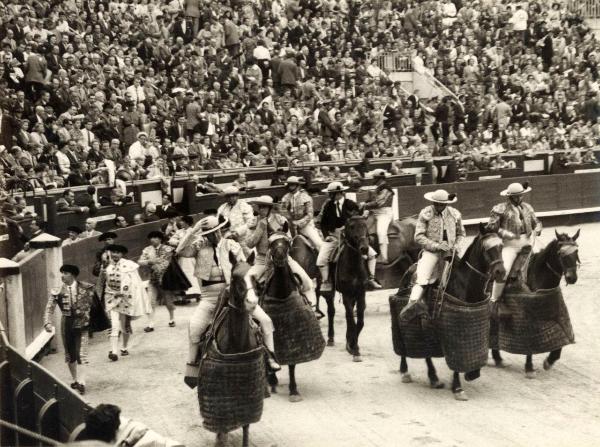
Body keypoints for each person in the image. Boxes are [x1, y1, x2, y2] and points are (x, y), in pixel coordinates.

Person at [244, 195, 317, 305]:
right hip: (262, 260)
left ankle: (311, 306)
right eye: (260, 207)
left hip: (283, 258)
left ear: (270, 208)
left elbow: (290, 240)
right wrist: (260, 228)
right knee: (247, 280)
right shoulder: (254, 222)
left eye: (264, 207)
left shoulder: (280, 220)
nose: (261, 209)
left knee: (307, 281)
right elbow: (249, 244)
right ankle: (253, 311)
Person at [404, 189, 466, 314]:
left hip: (451, 253)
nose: (438, 206)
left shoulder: (455, 214)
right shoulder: (426, 213)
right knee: (422, 277)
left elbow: (461, 234)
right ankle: (412, 305)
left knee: (465, 275)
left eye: (441, 204)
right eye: (436, 203)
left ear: (447, 203)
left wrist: (456, 246)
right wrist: (437, 246)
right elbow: (418, 236)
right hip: (432, 253)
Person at [316, 181, 382, 291]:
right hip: (334, 236)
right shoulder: (328, 205)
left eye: (331, 193)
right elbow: (323, 224)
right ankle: (326, 282)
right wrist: (327, 235)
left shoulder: (350, 203)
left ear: (339, 193)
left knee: (372, 254)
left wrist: (363, 213)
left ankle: (371, 278)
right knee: (321, 260)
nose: (330, 196)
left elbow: (360, 215)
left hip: (350, 237)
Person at [43, 264, 94, 395]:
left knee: (81, 353)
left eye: (65, 273)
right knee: (70, 354)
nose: (62, 276)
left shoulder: (86, 288)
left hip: (82, 323)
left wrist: (93, 323)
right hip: (66, 323)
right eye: (62, 273)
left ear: (72, 274)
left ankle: (82, 382)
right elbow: (49, 308)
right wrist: (47, 322)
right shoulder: (57, 290)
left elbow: (94, 307)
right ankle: (75, 379)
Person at [486, 182, 542, 302]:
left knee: (543, 259)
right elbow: (491, 227)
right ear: (509, 196)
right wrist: (505, 234)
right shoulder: (500, 209)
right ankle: (494, 299)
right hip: (510, 245)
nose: (519, 198)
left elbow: (536, 222)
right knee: (504, 271)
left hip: (529, 241)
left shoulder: (528, 207)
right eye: (516, 196)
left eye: (521, 195)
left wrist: (537, 228)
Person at [103, 244, 146, 361]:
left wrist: (124, 293)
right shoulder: (107, 266)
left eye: (118, 252)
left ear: (122, 254)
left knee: (124, 325)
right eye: (113, 252)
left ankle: (124, 347)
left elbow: (135, 283)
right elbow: (105, 283)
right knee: (113, 325)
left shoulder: (129, 265)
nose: (115, 254)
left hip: (126, 299)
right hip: (111, 298)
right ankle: (114, 351)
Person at [138, 231, 181, 331]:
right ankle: (151, 324)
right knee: (150, 301)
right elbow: (140, 261)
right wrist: (149, 261)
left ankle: (172, 318)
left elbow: (166, 262)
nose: (152, 240)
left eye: (155, 237)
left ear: (160, 239)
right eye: (151, 238)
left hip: (166, 279)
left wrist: (154, 263)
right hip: (153, 279)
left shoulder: (167, 249)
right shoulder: (147, 249)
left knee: (168, 302)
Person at [280, 176, 323, 250]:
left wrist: (299, 223)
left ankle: (325, 260)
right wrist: (289, 222)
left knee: (319, 244)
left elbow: (309, 214)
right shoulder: (285, 198)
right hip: (290, 226)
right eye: (289, 184)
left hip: (305, 225)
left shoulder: (305, 197)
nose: (290, 186)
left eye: (292, 184)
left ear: (298, 185)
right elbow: (283, 211)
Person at [363, 169, 395, 263]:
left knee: (381, 232)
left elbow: (379, 203)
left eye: (374, 178)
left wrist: (365, 205)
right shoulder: (378, 188)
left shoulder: (386, 188)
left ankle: (384, 257)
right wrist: (366, 207)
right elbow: (370, 201)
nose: (373, 180)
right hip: (374, 213)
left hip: (384, 214)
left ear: (379, 179)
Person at [170, 215, 202, 298]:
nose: (180, 223)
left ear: (187, 223)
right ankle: (185, 294)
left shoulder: (194, 232)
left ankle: (195, 293)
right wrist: (179, 242)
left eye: (182, 221)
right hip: (181, 257)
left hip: (191, 256)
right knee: (183, 274)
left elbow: (198, 242)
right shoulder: (179, 232)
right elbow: (171, 240)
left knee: (191, 273)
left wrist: (190, 244)